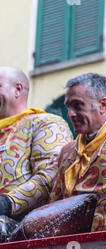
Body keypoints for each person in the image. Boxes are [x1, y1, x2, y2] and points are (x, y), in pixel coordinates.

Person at [0, 73, 106, 231]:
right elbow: (52, 206)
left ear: (103, 105)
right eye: (68, 107)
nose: (70, 114)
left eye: (77, 105)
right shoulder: (67, 152)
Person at [0, 66, 72, 218]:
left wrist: (7, 203)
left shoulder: (45, 123)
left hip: (23, 231)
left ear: (18, 89)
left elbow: (51, 176)